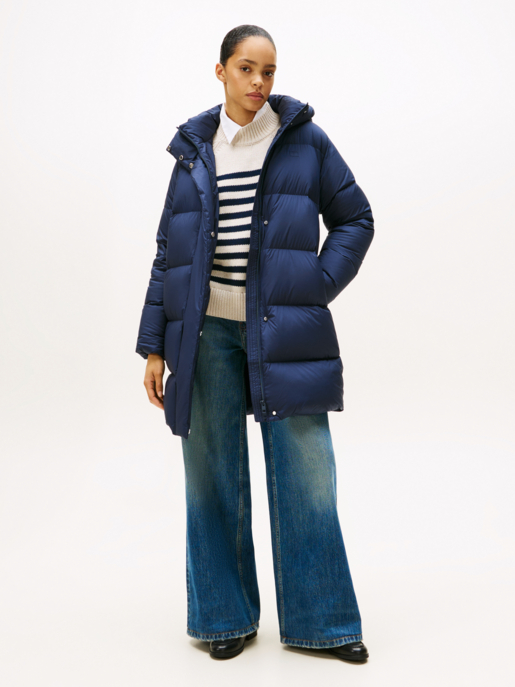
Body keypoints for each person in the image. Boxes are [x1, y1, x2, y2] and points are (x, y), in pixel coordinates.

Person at [136, 24, 374, 662]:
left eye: (268, 71)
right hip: (204, 334)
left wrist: (315, 285)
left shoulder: (304, 141)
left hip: (285, 331)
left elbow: (356, 218)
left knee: (307, 476)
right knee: (211, 476)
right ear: (220, 71)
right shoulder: (194, 150)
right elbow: (169, 254)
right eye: (246, 68)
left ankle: (324, 623)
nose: (259, 82)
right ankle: (224, 618)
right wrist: (154, 345)